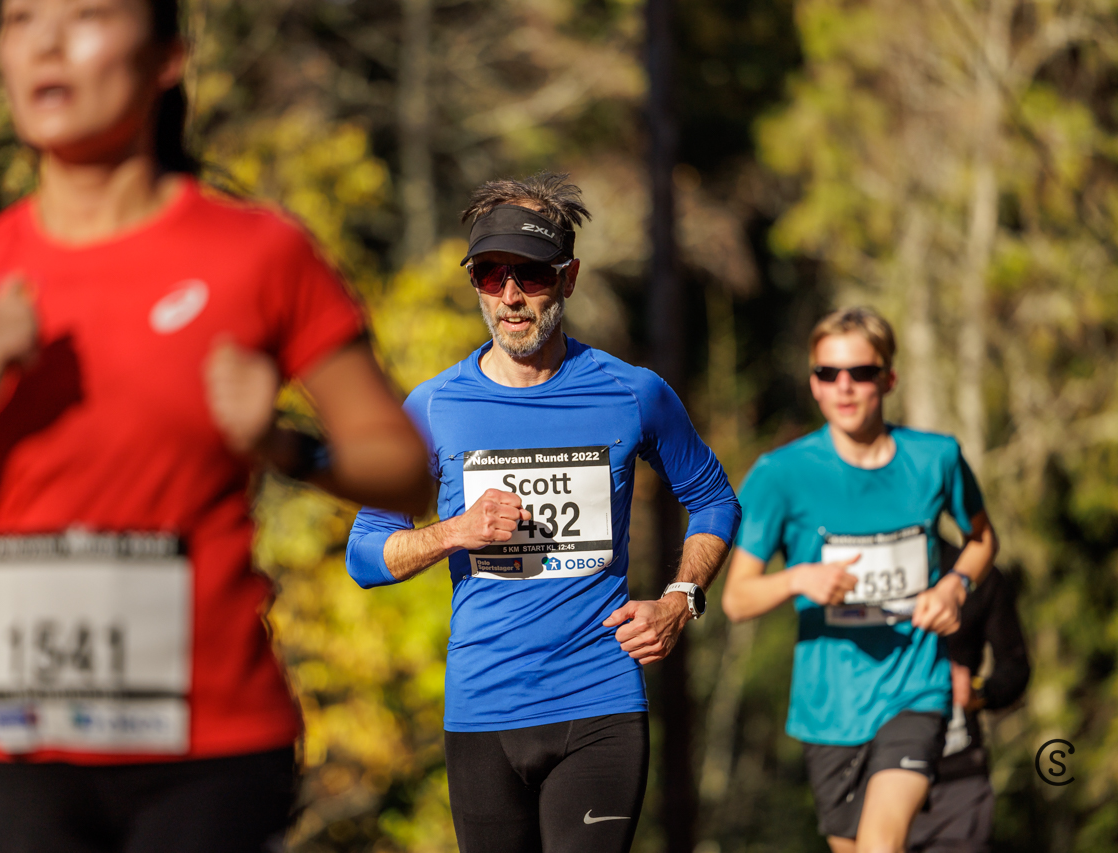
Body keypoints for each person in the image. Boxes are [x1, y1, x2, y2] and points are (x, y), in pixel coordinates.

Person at [0, 0, 431, 850]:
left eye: (87, 14)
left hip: (210, 749)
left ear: (167, 57)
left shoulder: (259, 252)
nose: (47, 42)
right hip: (14, 744)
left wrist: (281, 443)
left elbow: (408, 472)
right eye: (20, 19)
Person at [345, 172, 741, 853]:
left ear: (569, 278)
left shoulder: (632, 393)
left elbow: (714, 500)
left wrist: (681, 599)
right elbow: (364, 555)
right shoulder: (435, 406)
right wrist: (455, 532)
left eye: (529, 274)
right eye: (489, 274)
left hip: (600, 701)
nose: (510, 295)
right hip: (482, 710)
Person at [721, 307, 999, 853]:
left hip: (915, 689)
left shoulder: (936, 458)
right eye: (828, 373)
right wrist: (798, 579)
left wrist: (955, 586)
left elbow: (983, 539)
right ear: (813, 384)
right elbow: (736, 599)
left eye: (861, 373)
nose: (844, 387)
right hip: (829, 710)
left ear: (889, 379)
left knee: (879, 846)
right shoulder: (781, 475)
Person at [907, 558, 1029, 853]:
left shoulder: (979, 576)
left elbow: (1015, 667)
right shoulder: (858, 573)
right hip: (875, 778)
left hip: (958, 778)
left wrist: (976, 691)